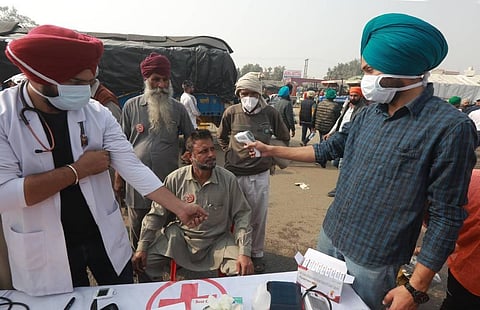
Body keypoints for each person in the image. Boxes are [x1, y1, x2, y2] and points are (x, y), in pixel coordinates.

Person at [245, 13, 477, 310]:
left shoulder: (450, 128)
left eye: (370, 70)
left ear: (400, 67)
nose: (365, 78)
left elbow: (447, 217)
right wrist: (270, 150)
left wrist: (416, 288)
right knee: (315, 303)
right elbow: (328, 149)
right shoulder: (370, 113)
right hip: (332, 236)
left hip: (375, 259)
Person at [0, 25, 207, 296]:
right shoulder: (5, 117)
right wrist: (77, 171)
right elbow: (5, 194)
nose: (87, 90)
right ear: (41, 77)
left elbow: (131, 165)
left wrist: (179, 207)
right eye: (77, 83)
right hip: (46, 243)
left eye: (91, 81)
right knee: (65, 300)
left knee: (121, 294)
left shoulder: (96, 112)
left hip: (101, 233)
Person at [132, 130, 254, 281]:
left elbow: (242, 214)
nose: (211, 154)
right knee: (143, 263)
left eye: (212, 149)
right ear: (189, 156)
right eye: (203, 151)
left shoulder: (228, 180)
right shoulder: (175, 179)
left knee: (242, 269)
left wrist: (244, 252)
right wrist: (142, 247)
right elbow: (156, 214)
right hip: (181, 239)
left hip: (218, 240)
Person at [115, 52, 195, 249]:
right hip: (136, 184)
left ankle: (166, 265)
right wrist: (118, 178)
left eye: (165, 80)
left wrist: (189, 152)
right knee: (137, 226)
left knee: (168, 226)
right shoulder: (131, 107)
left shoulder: (178, 108)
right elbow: (120, 144)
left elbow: (192, 139)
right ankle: (139, 266)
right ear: (146, 80)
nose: (161, 85)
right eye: (156, 79)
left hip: (168, 182)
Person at [216, 72, 290, 273]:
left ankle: (256, 254)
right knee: (231, 216)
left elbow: (284, 137)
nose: (248, 97)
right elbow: (221, 136)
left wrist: (269, 151)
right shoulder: (231, 112)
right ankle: (234, 253)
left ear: (259, 93)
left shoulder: (271, 113)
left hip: (259, 175)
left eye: (252, 93)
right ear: (239, 94)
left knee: (257, 217)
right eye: (243, 93)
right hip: (234, 174)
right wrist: (230, 151)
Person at [440, 169, 480, 310]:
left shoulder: (468, 179)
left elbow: (441, 234)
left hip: (469, 277)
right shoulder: (470, 179)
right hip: (466, 272)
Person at [323, 86, 367, 197]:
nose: (353, 97)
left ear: (360, 96)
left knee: (343, 165)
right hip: (340, 137)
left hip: (351, 140)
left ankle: (340, 188)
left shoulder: (363, 110)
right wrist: (331, 132)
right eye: (351, 95)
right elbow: (340, 120)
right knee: (337, 163)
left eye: (355, 95)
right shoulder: (347, 106)